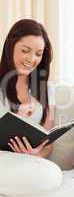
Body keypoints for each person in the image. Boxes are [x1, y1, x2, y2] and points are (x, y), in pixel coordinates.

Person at [0, 19, 62, 196]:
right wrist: (16, 120)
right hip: (3, 160)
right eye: (25, 51)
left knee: (53, 175)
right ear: (10, 47)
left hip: (31, 162)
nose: (31, 59)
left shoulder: (46, 91)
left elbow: (48, 143)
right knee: (49, 178)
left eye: (38, 54)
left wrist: (36, 155)